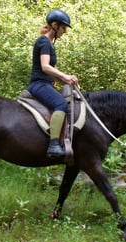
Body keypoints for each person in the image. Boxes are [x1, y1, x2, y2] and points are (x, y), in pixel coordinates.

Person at [28, 9, 78, 158]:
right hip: (39, 85)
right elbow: (45, 67)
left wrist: (65, 80)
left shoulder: (48, 43)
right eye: (63, 28)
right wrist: (65, 75)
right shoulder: (44, 41)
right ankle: (54, 145)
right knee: (60, 104)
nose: (64, 32)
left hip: (45, 83)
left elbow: (49, 70)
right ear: (54, 25)